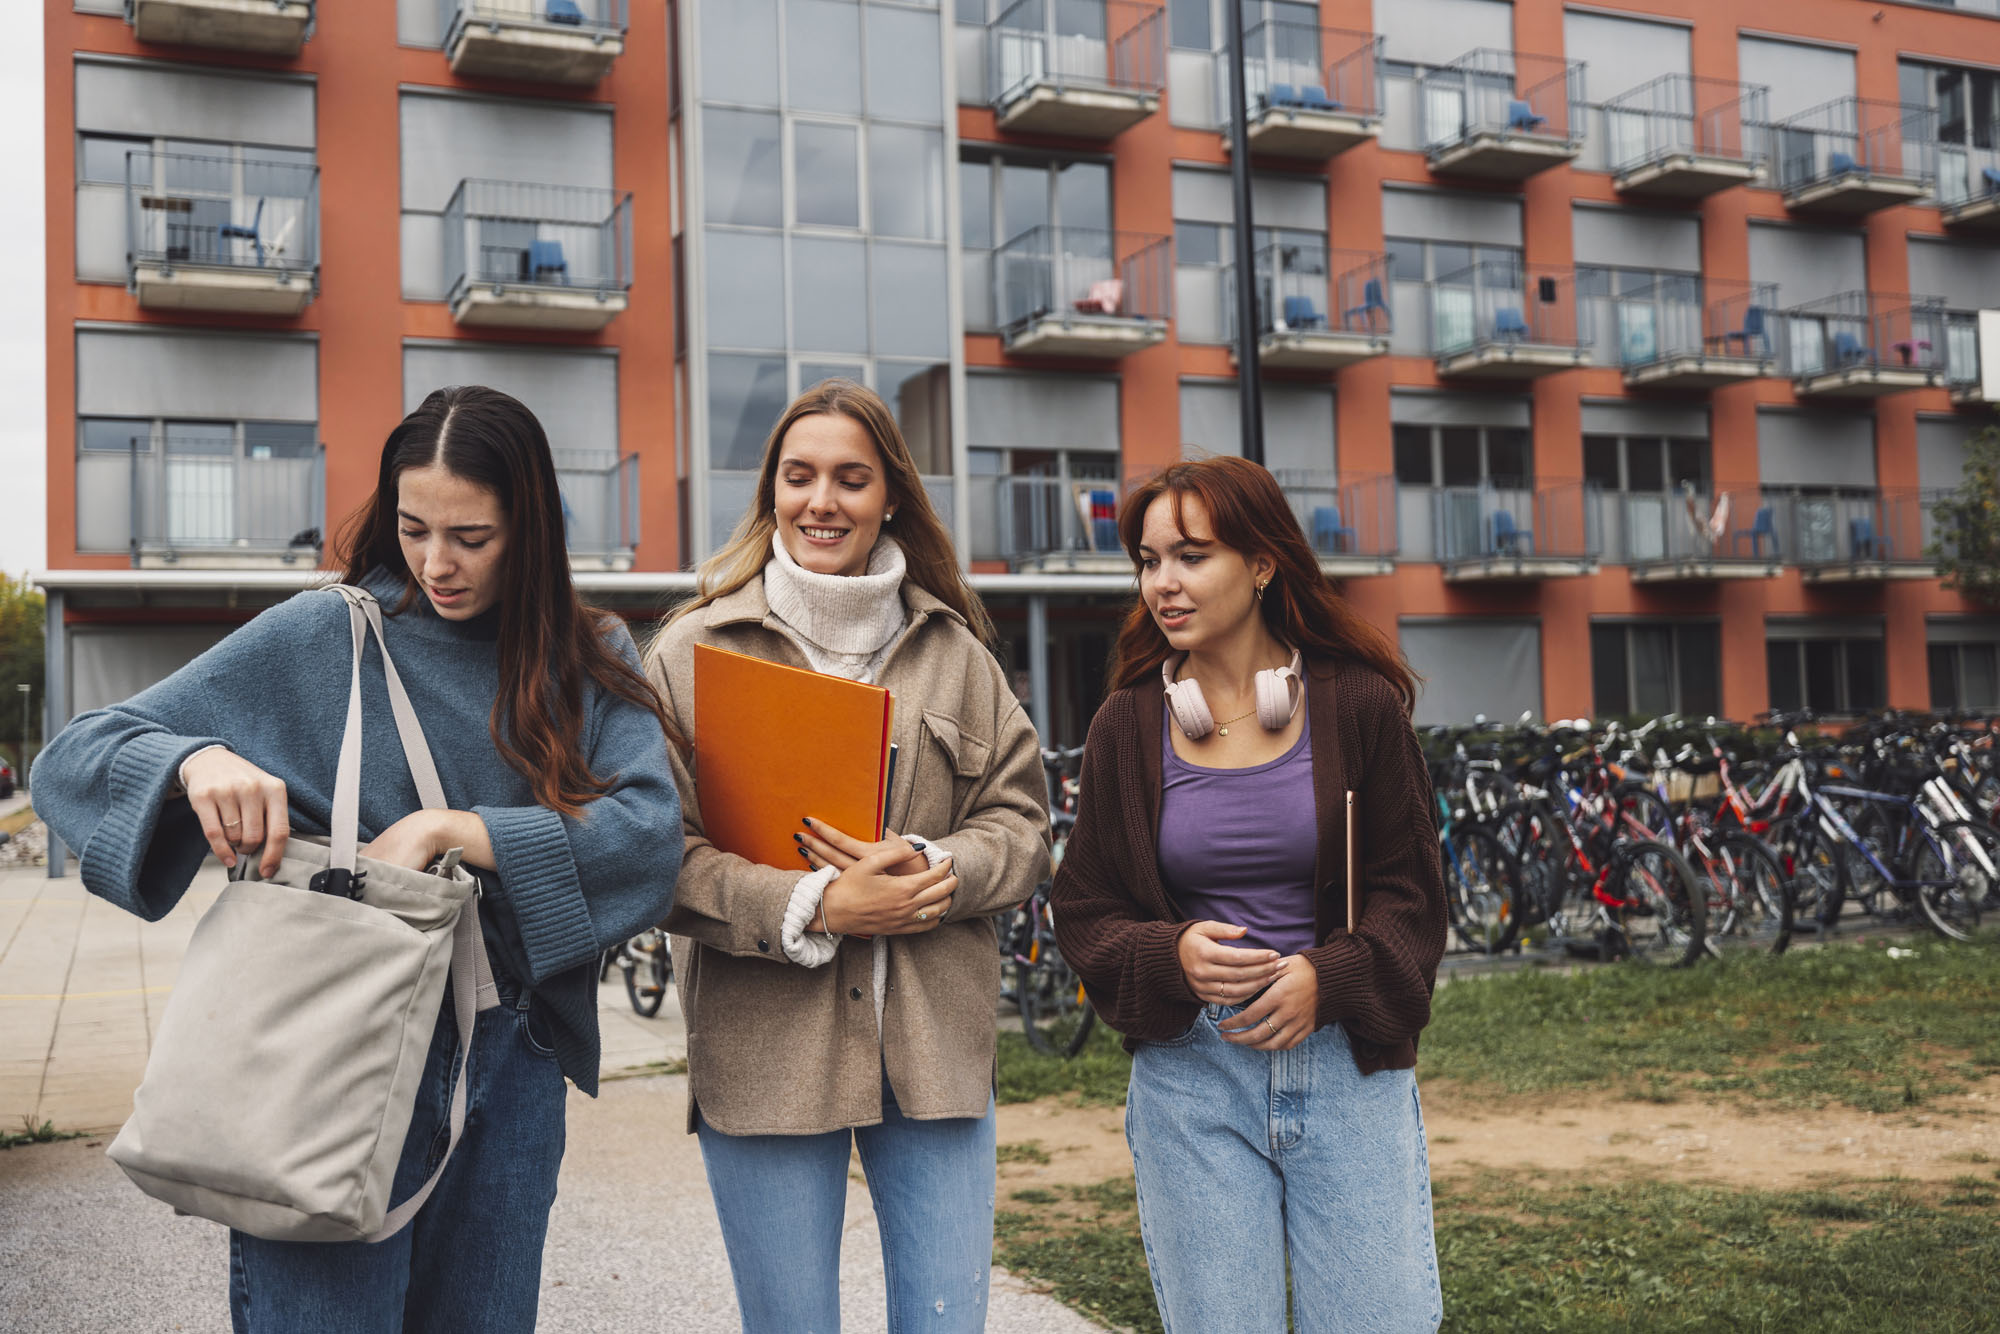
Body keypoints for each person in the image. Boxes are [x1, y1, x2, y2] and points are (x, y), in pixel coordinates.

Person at [32, 385, 685, 1333]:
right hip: (325, 1045)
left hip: (512, 1059)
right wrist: (193, 759)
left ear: (531, 528)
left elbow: (649, 838)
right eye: (414, 527)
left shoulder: (586, 656)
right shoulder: (321, 635)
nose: (436, 562)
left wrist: (458, 831)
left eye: (473, 536)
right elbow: (72, 760)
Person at [643, 379, 1049, 1333]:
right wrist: (815, 906)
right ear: (771, 491)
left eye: (851, 479)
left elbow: (1022, 826)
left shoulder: (961, 655)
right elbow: (658, 857)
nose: (822, 501)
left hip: (937, 1056)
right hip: (762, 1057)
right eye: (800, 476)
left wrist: (932, 870)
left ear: (890, 497)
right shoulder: (688, 654)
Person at [1049, 455, 1447, 1333]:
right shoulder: (1126, 726)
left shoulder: (1360, 707)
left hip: (1347, 1070)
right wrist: (1170, 954)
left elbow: (1412, 896)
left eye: (1192, 556)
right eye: (1149, 561)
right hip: (1193, 1078)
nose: (1164, 583)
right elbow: (1082, 909)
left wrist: (1328, 978)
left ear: (1262, 563)